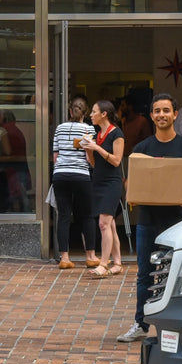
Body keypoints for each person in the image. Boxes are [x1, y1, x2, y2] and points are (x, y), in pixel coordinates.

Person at [117, 93, 182, 343]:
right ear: (152, 115)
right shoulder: (142, 149)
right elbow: (131, 182)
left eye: (166, 110)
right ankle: (141, 324)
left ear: (175, 114)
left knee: (176, 274)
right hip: (147, 221)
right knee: (145, 274)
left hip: (178, 222)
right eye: (157, 111)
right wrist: (130, 192)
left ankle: (174, 326)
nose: (162, 115)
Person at [51, 96, 98, 270]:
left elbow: (55, 156)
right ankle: (91, 257)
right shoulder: (88, 129)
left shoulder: (59, 128)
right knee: (87, 215)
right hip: (81, 176)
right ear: (84, 113)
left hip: (60, 175)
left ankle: (64, 258)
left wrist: (62, 168)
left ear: (70, 111)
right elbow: (88, 156)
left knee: (63, 216)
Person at [80, 100, 124, 279]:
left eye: (94, 111)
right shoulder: (98, 134)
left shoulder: (117, 133)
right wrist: (88, 149)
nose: (91, 115)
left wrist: (96, 147)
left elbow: (116, 161)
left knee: (103, 224)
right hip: (98, 181)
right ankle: (118, 262)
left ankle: (103, 264)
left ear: (104, 114)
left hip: (112, 183)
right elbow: (93, 163)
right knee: (110, 224)